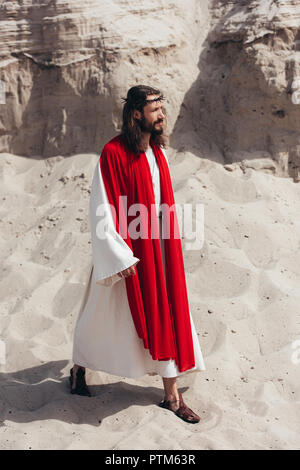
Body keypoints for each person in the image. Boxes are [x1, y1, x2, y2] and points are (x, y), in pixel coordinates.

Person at [70, 85, 206, 423]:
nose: (162, 115)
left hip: (157, 251)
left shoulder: (157, 152)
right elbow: (100, 207)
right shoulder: (113, 153)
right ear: (136, 114)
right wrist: (119, 255)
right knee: (98, 318)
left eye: (162, 108)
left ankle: (171, 397)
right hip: (125, 255)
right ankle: (77, 369)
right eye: (155, 109)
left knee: (166, 312)